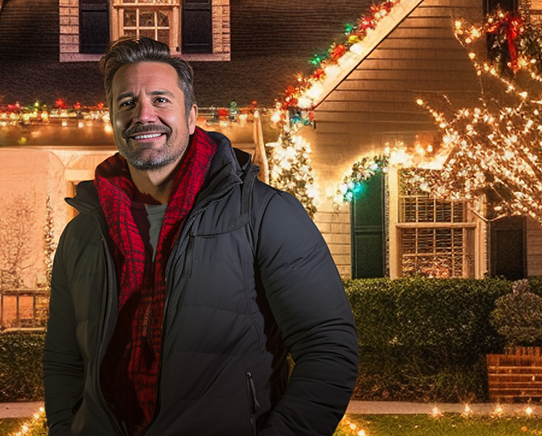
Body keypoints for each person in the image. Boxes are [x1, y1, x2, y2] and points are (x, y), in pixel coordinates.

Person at [42, 37, 359, 436]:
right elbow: (63, 361)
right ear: (112, 120)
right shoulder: (83, 233)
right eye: (127, 103)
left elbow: (328, 347)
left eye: (160, 99)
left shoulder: (264, 214)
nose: (144, 114)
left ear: (191, 117)